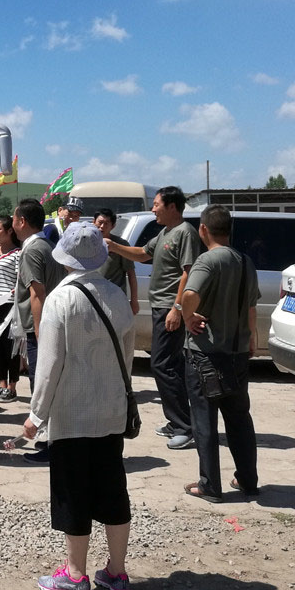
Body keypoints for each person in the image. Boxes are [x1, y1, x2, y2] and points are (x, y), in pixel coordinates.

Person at [19, 222, 136, 590]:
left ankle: (75, 574)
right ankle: (117, 572)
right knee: (113, 489)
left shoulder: (59, 299)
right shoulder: (117, 295)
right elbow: (128, 354)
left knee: (73, 492)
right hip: (111, 410)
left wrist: (36, 416)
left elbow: (50, 364)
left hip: (71, 414)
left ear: (64, 258)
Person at [106, 186, 202, 451]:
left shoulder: (185, 233)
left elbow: (188, 272)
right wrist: (114, 246)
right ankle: (176, 421)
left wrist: (178, 307)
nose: (153, 209)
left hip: (169, 308)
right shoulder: (165, 232)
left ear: (172, 206)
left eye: (157, 204)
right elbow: (142, 254)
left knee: (163, 364)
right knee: (167, 364)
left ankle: (184, 426)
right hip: (161, 307)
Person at [178, 205, 260, 503]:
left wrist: (187, 317)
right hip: (238, 352)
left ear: (203, 230)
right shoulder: (244, 260)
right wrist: (252, 338)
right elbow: (251, 306)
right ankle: (248, 479)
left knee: (204, 420)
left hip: (206, 354)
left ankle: (210, 484)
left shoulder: (207, 260)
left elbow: (189, 294)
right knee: (239, 418)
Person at [12, 198, 68, 464]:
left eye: (14, 219)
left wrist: (39, 331)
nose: (12, 224)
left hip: (42, 330)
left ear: (22, 221)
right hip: (48, 326)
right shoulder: (46, 245)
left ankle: (49, 443)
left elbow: (37, 293)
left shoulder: (33, 250)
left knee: (41, 385)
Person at [0, 215, 23, 401]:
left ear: (9, 231)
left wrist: (14, 291)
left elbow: (20, 279)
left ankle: (12, 386)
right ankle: (1, 384)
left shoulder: (17, 254)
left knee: (12, 347)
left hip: (10, 306)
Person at [94, 208, 140, 321]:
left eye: (106, 223)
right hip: (93, 299)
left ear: (113, 226)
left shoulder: (120, 245)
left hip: (115, 300)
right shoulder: (87, 243)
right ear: (93, 222)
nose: (102, 226)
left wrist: (134, 301)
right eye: (100, 222)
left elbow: (131, 274)